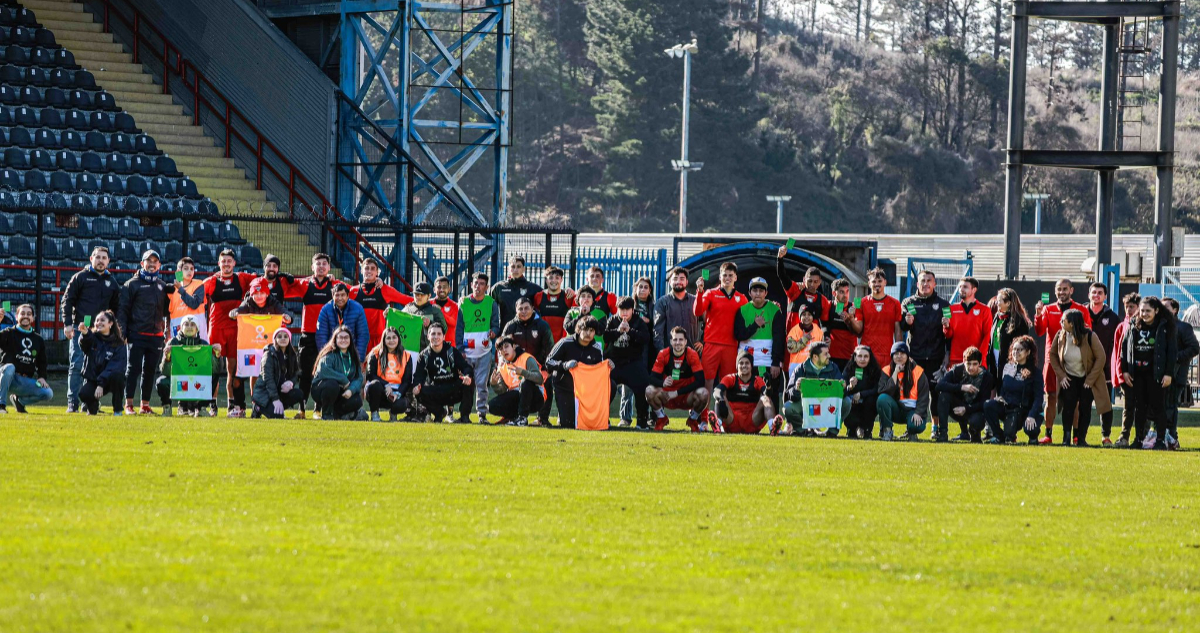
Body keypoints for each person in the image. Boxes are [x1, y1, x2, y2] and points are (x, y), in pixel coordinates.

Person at [61, 245, 121, 413]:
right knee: (76, 364)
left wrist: (114, 331)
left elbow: (116, 309)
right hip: (81, 329)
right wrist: (67, 324)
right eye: (98, 257)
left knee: (96, 369)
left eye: (104, 258)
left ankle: (90, 403)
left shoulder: (112, 282)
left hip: (101, 335)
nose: (100, 260)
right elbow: (67, 301)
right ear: (91, 259)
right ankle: (72, 403)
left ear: (108, 261)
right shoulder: (80, 277)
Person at [283, 252, 343, 419]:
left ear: (329, 268)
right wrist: (282, 278)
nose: (321, 266)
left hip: (329, 337)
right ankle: (301, 410)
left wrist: (378, 283)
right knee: (306, 373)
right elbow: (283, 291)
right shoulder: (304, 284)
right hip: (308, 336)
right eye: (318, 264)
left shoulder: (335, 285)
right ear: (312, 267)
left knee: (324, 372)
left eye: (324, 264)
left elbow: (352, 292)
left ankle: (319, 409)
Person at [202, 249, 260, 417]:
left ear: (234, 263)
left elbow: (262, 280)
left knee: (233, 371)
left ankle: (232, 405)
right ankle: (212, 405)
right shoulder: (212, 281)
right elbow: (190, 284)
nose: (226, 264)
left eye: (229, 261)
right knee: (213, 369)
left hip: (236, 330)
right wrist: (177, 275)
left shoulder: (242, 278)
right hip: (216, 331)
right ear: (218, 264)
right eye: (223, 261)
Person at [1034, 278, 1092, 444]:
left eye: (1065, 289)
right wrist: (1038, 314)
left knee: (1075, 400)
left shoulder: (1081, 310)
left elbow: (1088, 332)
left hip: (1074, 361)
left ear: (1071, 290)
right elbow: (1039, 331)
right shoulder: (1048, 309)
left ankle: (1074, 435)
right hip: (1052, 361)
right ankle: (1048, 434)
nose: (1061, 292)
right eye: (1059, 289)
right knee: (1051, 396)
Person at [118, 249, 174, 415]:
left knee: (149, 371)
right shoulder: (131, 284)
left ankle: (145, 405)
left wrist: (166, 332)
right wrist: (123, 333)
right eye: (148, 261)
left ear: (159, 265)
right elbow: (123, 311)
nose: (151, 264)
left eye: (154, 261)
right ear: (142, 264)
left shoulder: (162, 286)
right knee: (132, 370)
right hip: (136, 334)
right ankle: (128, 405)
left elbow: (167, 312)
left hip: (156, 336)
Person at [1116, 296, 1175, 449]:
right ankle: (1138, 439)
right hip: (1138, 375)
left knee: (1158, 407)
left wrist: (1168, 373)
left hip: (1156, 375)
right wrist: (1126, 371)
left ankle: (1160, 440)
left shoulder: (1165, 326)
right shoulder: (1133, 325)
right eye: (1142, 310)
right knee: (1139, 408)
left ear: (1156, 310)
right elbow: (1124, 350)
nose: (1145, 314)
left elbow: (1171, 352)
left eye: (1148, 311)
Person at [1047, 309, 1112, 446]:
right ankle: (1066, 438)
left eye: (1063, 320)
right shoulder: (1060, 335)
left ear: (1072, 323)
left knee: (1085, 407)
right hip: (1069, 377)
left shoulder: (1089, 335)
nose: (1060, 322)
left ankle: (1081, 439)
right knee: (1068, 407)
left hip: (1087, 378)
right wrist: (1061, 376)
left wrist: (1090, 380)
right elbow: (1052, 355)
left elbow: (1101, 358)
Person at [899, 270, 948, 430]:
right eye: (922, 281)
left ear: (934, 284)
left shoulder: (944, 304)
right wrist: (907, 322)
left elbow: (950, 332)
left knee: (935, 394)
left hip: (935, 357)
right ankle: (911, 427)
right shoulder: (908, 302)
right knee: (912, 393)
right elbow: (903, 326)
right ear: (917, 284)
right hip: (915, 357)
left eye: (929, 280)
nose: (925, 284)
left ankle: (936, 428)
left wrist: (948, 325)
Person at [545, 316, 611, 429]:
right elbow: (548, 362)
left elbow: (598, 371)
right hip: (564, 387)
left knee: (612, 386)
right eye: (586, 329)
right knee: (568, 425)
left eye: (592, 331)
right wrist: (564, 365)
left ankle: (602, 415)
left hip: (585, 391)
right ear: (579, 329)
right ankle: (562, 415)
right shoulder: (565, 343)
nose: (588, 333)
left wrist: (608, 365)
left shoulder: (596, 348)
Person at [693, 262, 748, 396]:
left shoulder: (742, 298)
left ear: (736, 277)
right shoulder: (710, 293)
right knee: (707, 381)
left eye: (730, 275)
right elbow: (697, 311)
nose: (727, 278)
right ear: (719, 277)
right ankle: (704, 415)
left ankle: (724, 415)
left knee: (727, 383)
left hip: (731, 345)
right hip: (711, 344)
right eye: (724, 275)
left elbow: (752, 317)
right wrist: (700, 292)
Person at [501, 297, 554, 425]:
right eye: (520, 309)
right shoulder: (510, 326)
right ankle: (511, 416)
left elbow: (550, 349)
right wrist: (502, 366)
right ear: (516, 310)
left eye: (526, 308)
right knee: (507, 387)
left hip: (539, 367)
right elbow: (501, 347)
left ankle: (543, 418)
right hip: (516, 368)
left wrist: (547, 370)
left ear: (532, 309)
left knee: (547, 383)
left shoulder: (542, 325)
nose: (523, 311)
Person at [982, 335, 1045, 444]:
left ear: (1028, 352)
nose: (1016, 352)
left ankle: (1033, 437)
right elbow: (1003, 390)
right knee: (988, 405)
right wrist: (1000, 399)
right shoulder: (1007, 367)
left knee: (1030, 428)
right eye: (1014, 349)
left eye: (1020, 350)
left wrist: (1031, 415)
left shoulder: (1035, 372)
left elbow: (1039, 398)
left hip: (1026, 410)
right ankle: (998, 436)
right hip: (1009, 408)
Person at [603, 296, 653, 429]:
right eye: (621, 309)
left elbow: (645, 338)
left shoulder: (638, 321)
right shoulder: (612, 320)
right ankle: (602, 418)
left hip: (633, 362)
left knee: (643, 386)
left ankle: (642, 421)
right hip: (614, 362)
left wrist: (630, 331)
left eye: (627, 310)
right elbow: (605, 336)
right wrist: (618, 331)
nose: (624, 313)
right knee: (604, 386)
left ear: (632, 310)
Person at [155, 314, 219, 418]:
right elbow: (164, 372)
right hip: (179, 380)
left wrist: (216, 356)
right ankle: (167, 407)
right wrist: (167, 358)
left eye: (192, 324)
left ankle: (201, 408)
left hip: (196, 380)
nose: (189, 327)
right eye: (186, 324)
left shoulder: (204, 344)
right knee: (161, 381)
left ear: (197, 328)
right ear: (181, 327)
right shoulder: (173, 343)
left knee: (214, 377)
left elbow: (215, 370)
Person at [732, 277, 785, 401]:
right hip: (747, 361)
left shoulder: (775, 310)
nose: (758, 293)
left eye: (761, 291)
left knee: (771, 395)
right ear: (749, 293)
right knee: (748, 396)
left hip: (768, 361)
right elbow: (738, 335)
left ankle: (774, 420)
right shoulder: (742, 310)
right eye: (754, 290)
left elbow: (779, 338)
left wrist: (776, 362)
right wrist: (755, 325)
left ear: (766, 293)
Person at [647, 326, 709, 431]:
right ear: (671, 341)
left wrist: (677, 392)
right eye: (675, 339)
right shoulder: (663, 354)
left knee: (704, 393)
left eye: (680, 339)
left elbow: (700, 381)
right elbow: (651, 379)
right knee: (649, 390)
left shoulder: (692, 354)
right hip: (667, 396)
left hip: (686, 397)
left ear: (685, 342)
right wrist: (662, 383)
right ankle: (661, 418)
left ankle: (693, 419)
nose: (678, 342)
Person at [782, 340, 848, 435]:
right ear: (815, 357)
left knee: (847, 402)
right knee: (788, 407)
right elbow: (789, 395)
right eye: (826, 354)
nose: (829, 356)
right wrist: (797, 388)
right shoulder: (800, 369)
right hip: (807, 406)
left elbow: (843, 395)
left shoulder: (834, 368)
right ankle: (801, 430)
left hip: (827, 405)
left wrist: (843, 388)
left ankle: (831, 432)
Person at [412, 322, 473, 424]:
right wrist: (416, 386)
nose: (436, 337)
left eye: (439, 334)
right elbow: (418, 376)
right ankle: (439, 413)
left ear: (444, 337)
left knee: (469, 382)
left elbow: (466, 367)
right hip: (435, 389)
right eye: (433, 334)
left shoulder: (452, 351)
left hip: (453, 389)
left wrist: (467, 376)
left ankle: (464, 417)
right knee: (418, 391)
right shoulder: (423, 355)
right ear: (428, 336)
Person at [709, 352, 783, 435]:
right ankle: (717, 425)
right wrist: (721, 400)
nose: (744, 365)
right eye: (741, 363)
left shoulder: (757, 380)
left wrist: (768, 386)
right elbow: (717, 390)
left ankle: (772, 427)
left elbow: (768, 395)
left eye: (747, 363)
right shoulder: (730, 378)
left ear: (751, 366)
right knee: (719, 398)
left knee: (765, 398)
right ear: (737, 366)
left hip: (752, 420)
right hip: (732, 419)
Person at [461, 272, 502, 422]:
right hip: (467, 351)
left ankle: (481, 414)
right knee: (466, 384)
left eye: (481, 284)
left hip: (484, 352)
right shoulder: (463, 303)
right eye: (475, 283)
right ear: (471, 285)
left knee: (481, 384)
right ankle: (464, 414)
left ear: (487, 287)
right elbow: (459, 328)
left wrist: (494, 332)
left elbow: (496, 325)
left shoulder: (491, 303)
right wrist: (460, 349)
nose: (478, 286)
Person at [349, 257, 412, 351]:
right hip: (359, 339)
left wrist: (432, 301)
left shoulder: (385, 289)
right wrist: (329, 277)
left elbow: (406, 299)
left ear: (377, 273)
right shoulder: (353, 291)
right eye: (366, 268)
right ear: (361, 271)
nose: (369, 271)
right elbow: (337, 293)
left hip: (379, 340)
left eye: (372, 268)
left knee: (378, 365)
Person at [0, 304, 53, 412]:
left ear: (33, 318)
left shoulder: (38, 339)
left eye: (29, 314)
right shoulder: (8, 333)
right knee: (10, 368)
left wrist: (42, 376)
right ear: (16, 316)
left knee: (48, 393)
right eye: (22, 313)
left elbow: (42, 362)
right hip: (5, 377)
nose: (25, 316)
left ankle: (20, 402)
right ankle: (1, 405)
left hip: (23, 381)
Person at [618, 277, 656, 427]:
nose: (642, 290)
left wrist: (649, 321)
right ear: (635, 289)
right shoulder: (628, 304)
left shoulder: (654, 305)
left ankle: (645, 417)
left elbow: (657, 324)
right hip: (628, 347)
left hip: (647, 349)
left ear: (650, 290)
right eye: (640, 287)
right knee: (626, 386)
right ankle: (625, 418)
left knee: (644, 384)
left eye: (646, 287)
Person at [935, 346, 994, 443]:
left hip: (975, 410)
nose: (971, 367)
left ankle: (974, 433)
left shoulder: (987, 377)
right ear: (963, 361)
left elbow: (983, 403)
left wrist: (966, 409)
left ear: (980, 363)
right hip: (958, 407)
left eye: (975, 364)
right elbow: (939, 386)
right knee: (944, 396)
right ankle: (943, 433)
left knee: (977, 421)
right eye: (968, 364)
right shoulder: (957, 370)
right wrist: (961, 387)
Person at [1086, 283, 1120, 445]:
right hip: (1083, 368)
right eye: (1094, 292)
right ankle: (1079, 436)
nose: (1096, 295)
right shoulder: (1080, 314)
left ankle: (1105, 436)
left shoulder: (1113, 318)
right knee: (1083, 404)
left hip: (1105, 370)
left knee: (1105, 405)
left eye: (1100, 293)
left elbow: (1117, 343)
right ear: (1089, 295)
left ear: (1105, 296)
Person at [1161, 297, 1198, 450]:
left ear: (1175, 310)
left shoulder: (1183, 327)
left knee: (1170, 405)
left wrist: (1175, 358)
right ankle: (1159, 436)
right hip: (1160, 375)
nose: (1162, 310)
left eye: (1166, 307)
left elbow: (1194, 348)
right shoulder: (1158, 326)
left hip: (1177, 375)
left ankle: (1171, 437)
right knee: (1159, 406)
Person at [878, 341, 932, 441]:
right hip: (897, 409)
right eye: (896, 354)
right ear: (892, 356)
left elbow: (924, 396)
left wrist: (918, 412)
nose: (899, 356)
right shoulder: (886, 370)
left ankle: (912, 432)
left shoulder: (918, 371)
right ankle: (887, 431)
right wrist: (895, 373)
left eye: (902, 353)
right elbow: (884, 392)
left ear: (907, 356)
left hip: (913, 410)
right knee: (882, 399)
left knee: (916, 426)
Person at [311, 325, 366, 421]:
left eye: (346, 337)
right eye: (340, 337)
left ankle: (339, 415)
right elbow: (323, 370)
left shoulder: (353, 356)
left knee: (357, 400)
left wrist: (351, 390)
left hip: (342, 392)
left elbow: (359, 378)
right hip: (322, 389)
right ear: (335, 339)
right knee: (332, 385)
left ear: (350, 340)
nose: (343, 340)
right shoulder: (329, 354)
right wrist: (344, 380)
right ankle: (327, 414)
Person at [849, 267, 903, 366]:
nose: (877, 284)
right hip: (866, 355)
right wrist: (851, 319)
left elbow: (897, 330)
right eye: (874, 281)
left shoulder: (895, 303)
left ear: (885, 282)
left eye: (880, 281)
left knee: (885, 381)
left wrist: (899, 351)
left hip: (886, 354)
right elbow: (858, 329)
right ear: (869, 283)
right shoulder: (860, 302)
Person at [77, 310, 127, 416]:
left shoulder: (119, 343)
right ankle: (93, 407)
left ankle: (117, 410)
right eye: (97, 320)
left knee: (118, 377)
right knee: (83, 394)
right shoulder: (92, 337)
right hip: (94, 379)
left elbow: (115, 366)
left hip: (109, 379)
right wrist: (84, 334)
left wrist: (101, 383)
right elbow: (84, 345)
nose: (99, 322)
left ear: (111, 323)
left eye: (102, 320)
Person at [488, 335, 546, 426]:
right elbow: (503, 391)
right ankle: (513, 418)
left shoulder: (526, 358)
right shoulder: (502, 367)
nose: (504, 350)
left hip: (535, 398)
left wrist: (523, 372)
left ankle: (522, 418)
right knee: (491, 406)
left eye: (506, 346)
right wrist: (494, 384)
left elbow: (539, 379)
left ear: (514, 346)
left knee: (525, 383)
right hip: (517, 397)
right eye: (500, 349)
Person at [250, 328, 306, 420]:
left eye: (285, 336)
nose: (283, 339)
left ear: (289, 339)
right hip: (265, 394)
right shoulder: (268, 355)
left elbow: (296, 373)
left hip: (280, 391)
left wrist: (291, 383)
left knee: (299, 394)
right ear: (275, 339)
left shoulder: (291, 355)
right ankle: (258, 407)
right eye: (279, 336)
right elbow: (268, 379)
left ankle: (282, 408)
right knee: (278, 416)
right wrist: (275, 399)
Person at [363, 327, 413, 422]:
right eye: (388, 338)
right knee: (375, 385)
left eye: (394, 337)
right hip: (379, 391)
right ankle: (374, 414)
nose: (391, 340)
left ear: (398, 339)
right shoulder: (375, 353)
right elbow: (370, 375)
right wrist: (386, 385)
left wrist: (397, 394)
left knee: (402, 404)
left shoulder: (406, 355)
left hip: (395, 391)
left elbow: (407, 380)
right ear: (384, 340)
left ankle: (393, 414)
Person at [776, 248, 833, 331]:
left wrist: (825, 336)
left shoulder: (823, 300)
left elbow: (824, 325)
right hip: (793, 341)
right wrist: (779, 259)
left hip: (812, 341)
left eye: (815, 281)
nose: (812, 284)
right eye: (809, 281)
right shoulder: (795, 290)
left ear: (820, 282)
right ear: (804, 280)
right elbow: (782, 276)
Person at [1111, 293, 1141, 447]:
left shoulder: (1145, 325)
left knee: (1143, 407)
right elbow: (1117, 353)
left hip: (1142, 374)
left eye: (1132, 307)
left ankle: (1141, 437)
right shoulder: (1121, 327)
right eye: (1127, 307)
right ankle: (1124, 436)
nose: (1129, 310)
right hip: (1127, 375)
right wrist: (1120, 374)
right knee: (1128, 406)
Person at [316, 283, 370, 361]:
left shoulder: (358, 309)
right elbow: (321, 336)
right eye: (337, 295)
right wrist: (326, 357)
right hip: (332, 351)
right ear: (332, 296)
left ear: (348, 296)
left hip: (352, 352)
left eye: (343, 295)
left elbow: (363, 335)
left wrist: (359, 359)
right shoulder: (325, 310)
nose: (340, 298)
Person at [842, 345, 886, 439]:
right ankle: (852, 429)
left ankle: (867, 430)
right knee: (847, 401)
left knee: (872, 401)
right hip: (852, 400)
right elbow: (841, 389)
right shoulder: (848, 369)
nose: (862, 359)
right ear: (854, 357)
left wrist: (861, 395)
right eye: (859, 356)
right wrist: (850, 387)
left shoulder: (876, 370)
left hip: (868, 401)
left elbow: (877, 389)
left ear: (870, 358)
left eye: (866, 356)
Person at [989, 288, 1032, 384]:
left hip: (1009, 361)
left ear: (1008, 303)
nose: (997, 303)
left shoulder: (1019, 321)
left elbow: (1022, 344)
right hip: (995, 358)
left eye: (999, 300)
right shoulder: (997, 316)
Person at [654, 266, 701, 351]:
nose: (678, 281)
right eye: (675, 278)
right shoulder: (662, 302)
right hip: (670, 354)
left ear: (687, 282)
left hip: (692, 353)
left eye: (682, 279)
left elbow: (709, 321)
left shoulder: (695, 301)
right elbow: (658, 331)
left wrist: (702, 340)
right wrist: (662, 352)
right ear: (670, 282)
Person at [489, 255, 542, 327]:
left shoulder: (533, 288)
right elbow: (489, 309)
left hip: (527, 333)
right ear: (508, 269)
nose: (515, 269)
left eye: (519, 267)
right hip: (505, 331)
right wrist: (494, 328)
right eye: (513, 266)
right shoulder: (499, 288)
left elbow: (542, 311)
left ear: (524, 269)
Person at [167, 256, 206, 341]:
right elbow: (168, 312)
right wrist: (167, 330)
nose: (189, 271)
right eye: (186, 268)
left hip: (197, 332)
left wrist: (181, 290)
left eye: (192, 269)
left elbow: (194, 304)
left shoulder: (199, 284)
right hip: (177, 331)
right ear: (179, 272)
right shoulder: (171, 290)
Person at [401, 281, 447, 353]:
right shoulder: (406, 310)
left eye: (421, 295)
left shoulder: (435, 311)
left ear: (429, 296)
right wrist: (388, 315)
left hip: (428, 351)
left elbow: (444, 329)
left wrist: (430, 324)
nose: (418, 297)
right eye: (416, 294)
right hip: (409, 351)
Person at [532, 266, 575, 342]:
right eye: (551, 278)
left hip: (563, 343)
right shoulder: (538, 296)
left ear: (561, 279)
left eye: (557, 278)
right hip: (544, 342)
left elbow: (581, 301)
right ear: (546, 280)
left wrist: (573, 292)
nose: (554, 280)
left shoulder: (569, 296)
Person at [826, 278, 858, 369]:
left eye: (847, 291)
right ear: (834, 293)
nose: (845, 295)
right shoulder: (828, 305)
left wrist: (851, 320)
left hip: (851, 356)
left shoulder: (855, 306)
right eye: (841, 292)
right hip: (831, 357)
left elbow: (859, 331)